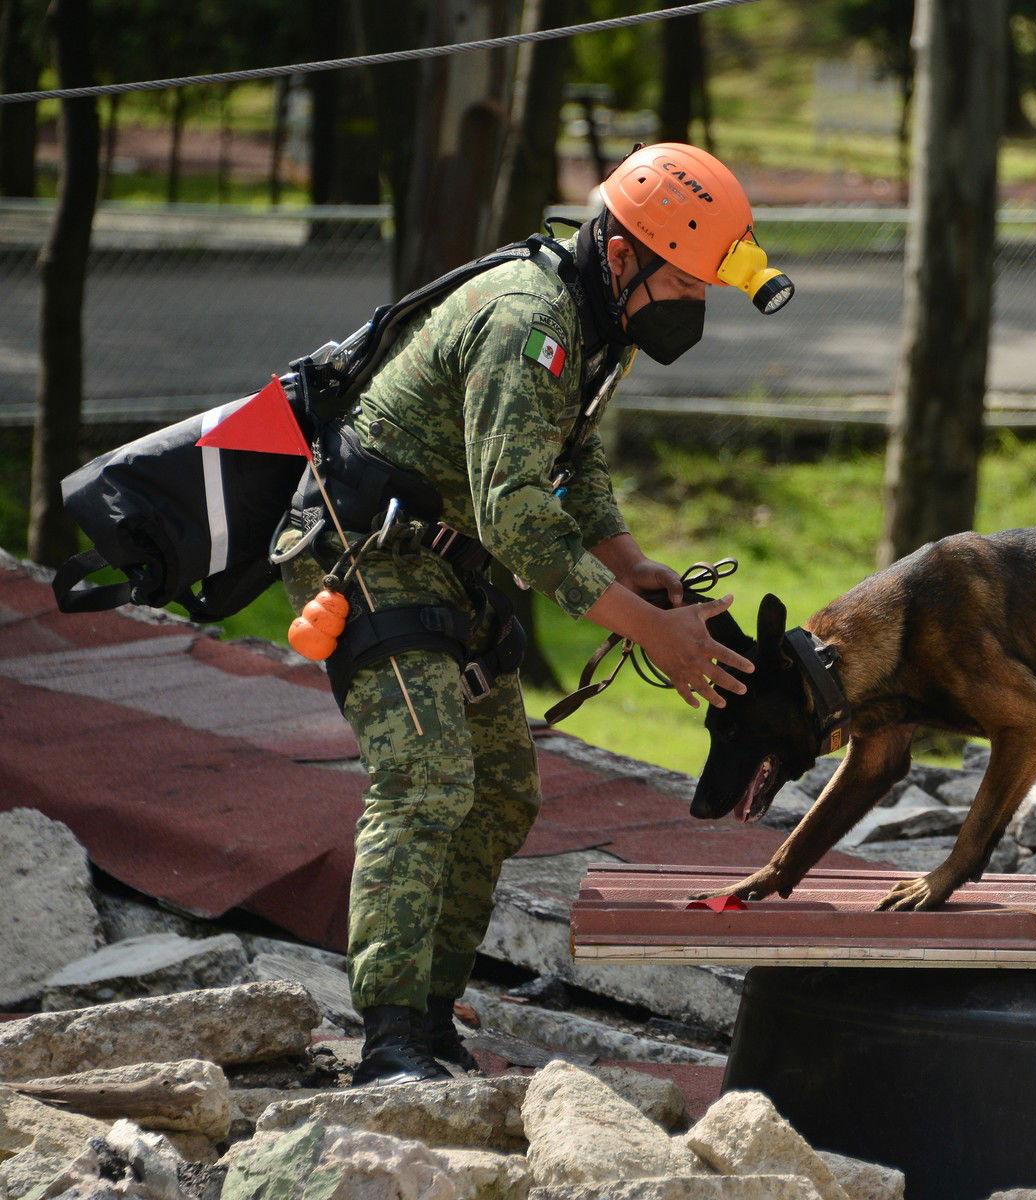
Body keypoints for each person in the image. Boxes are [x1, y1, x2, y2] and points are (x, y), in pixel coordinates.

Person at [272, 143, 790, 1086]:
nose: (694, 309)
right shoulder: (528, 319)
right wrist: (646, 630)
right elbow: (514, 508)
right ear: (623, 253)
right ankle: (388, 1042)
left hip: (447, 562)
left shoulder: (597, 323)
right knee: (425, 776)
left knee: (503, 793)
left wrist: (631, 565)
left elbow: (571, 460)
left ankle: (430, 1020)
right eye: (686, 282)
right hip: (364, 554)